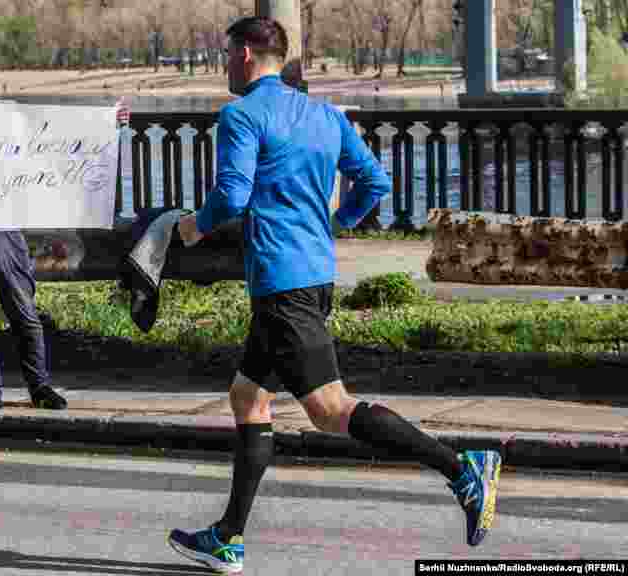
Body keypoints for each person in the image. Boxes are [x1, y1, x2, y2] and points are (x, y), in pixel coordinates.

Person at [168, 18, 501, 574]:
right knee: (248, 396)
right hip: (315, 276)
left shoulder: (242, 115)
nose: (224, 64)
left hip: (281, 285)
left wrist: (192, 229)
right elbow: (375, 183)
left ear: (247, 54)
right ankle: (228, 536)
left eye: (227, 54)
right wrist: (336, 222)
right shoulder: (324, 116)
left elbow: (230, 195)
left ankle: (461, 467)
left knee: (329, 410)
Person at [0, 51, 129, 430]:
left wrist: (107, 124)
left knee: (23, 311)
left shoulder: (4, 116)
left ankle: (40, 386)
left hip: (2, 228)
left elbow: (58, 137)